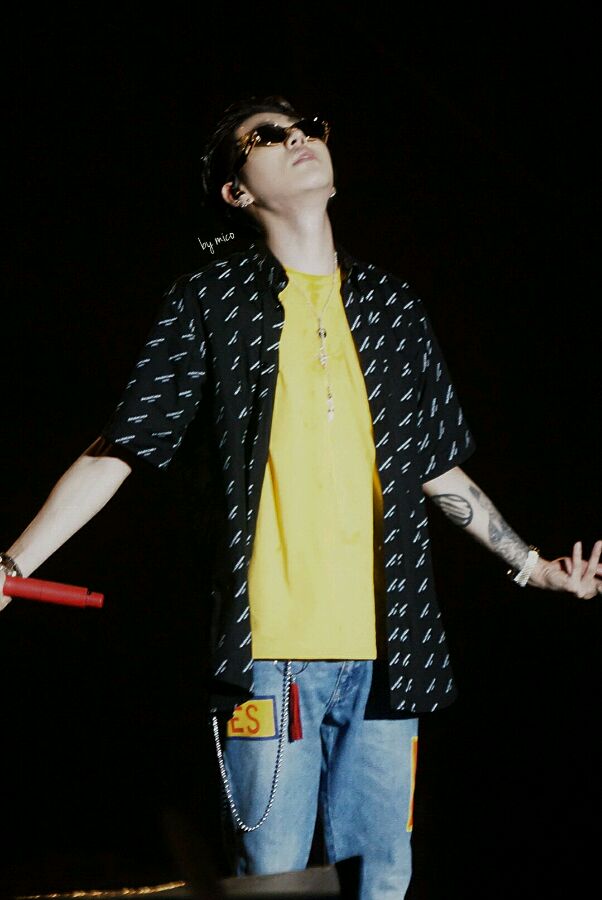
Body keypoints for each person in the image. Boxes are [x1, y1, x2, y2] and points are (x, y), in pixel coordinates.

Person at [1, 94, 600, 900]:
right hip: (269, 659)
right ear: (236, 190)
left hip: (390, 654)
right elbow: (122, 448)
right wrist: (11, 567)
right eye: (269, 137)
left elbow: (435, 469)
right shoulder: (211, 302)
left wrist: (532, 565)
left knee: (381, 882)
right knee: (273, 884)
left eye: (309, 127)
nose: (299, 140)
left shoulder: (392, 307)